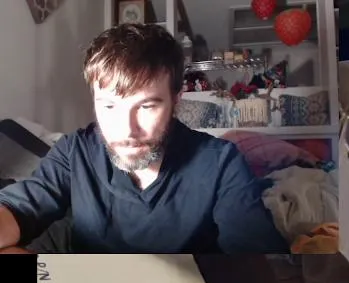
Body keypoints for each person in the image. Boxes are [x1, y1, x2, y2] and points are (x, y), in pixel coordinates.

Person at [0, 24, 287, 254]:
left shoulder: (221, 163)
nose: (126, 129)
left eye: (146, 106)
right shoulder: (74, 152)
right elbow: (19, 208)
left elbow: (257, 264)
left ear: (176, 100)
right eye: (109, 106)